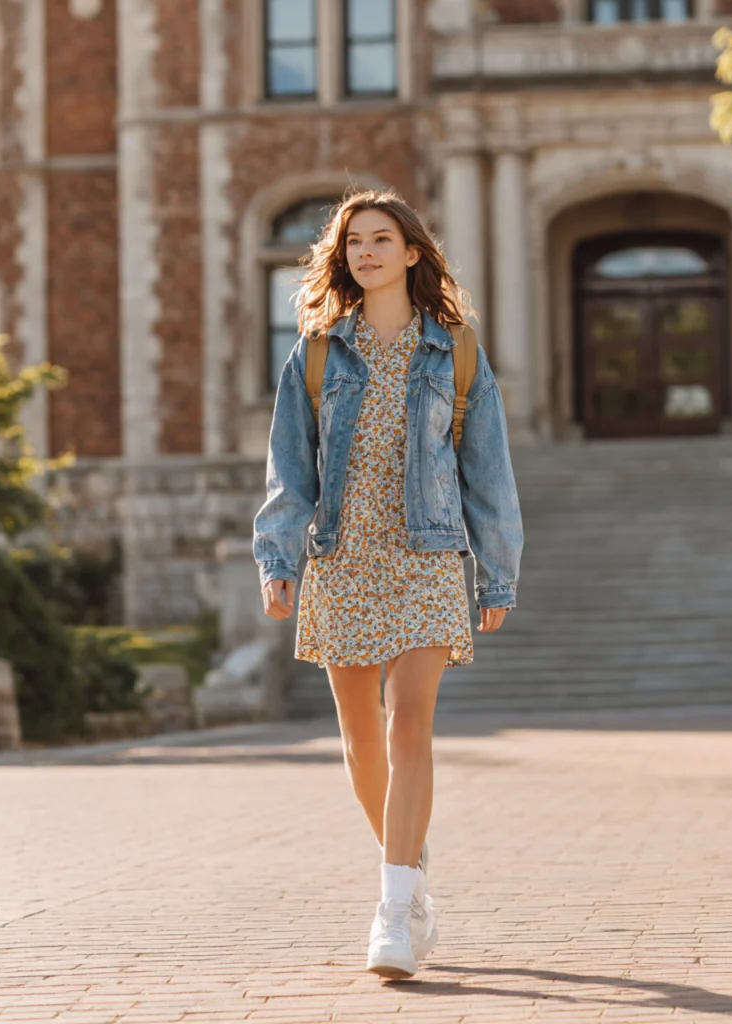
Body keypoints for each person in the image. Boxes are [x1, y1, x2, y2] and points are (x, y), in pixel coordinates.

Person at [252, 189, 524, 979]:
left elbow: (489, 471)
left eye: (381, 239)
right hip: (343, 560)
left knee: (410, 728)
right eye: (353, 243)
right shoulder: (313, 354)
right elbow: (289, 474)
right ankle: (412, 867)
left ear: (412, 252)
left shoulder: (455, 350)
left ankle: (394, 910)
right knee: (362, 742)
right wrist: (278, 562)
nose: (365, 252)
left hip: (427, 559)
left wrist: (496, 570)